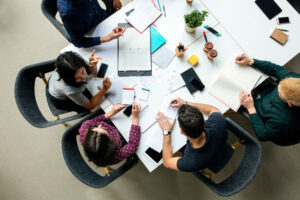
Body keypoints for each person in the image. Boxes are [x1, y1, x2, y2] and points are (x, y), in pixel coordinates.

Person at [236, 55, 300, 143]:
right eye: (280, 84)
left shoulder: (282, 122)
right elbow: (277, 70)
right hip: (267, 94)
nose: (278, 85)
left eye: (280, 92)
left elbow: (262, 135)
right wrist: (252, 61)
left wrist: (250, 108)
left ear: (290, 104)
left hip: (258, 110)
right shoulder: (296, 81)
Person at [156, 97, 228, 172]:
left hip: (207, 162)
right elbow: (213, 110)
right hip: (219, 144)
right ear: (203, 121)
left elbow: (167, 162)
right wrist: (186, 103)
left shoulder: (191, 162)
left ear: (181, 131)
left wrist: (166, 131)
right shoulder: (218, 123)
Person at [79, 102, 141, 167]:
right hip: (119, 138)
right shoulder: (114, 157)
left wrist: (112, 112)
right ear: (110, 144)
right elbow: (133, 145)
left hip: (112, 128)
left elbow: (95, 120)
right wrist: (135, 119)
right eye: (105, 132)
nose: (99, 125)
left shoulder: (85, 126)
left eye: (96, 128)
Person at [47, 50, 111, 112]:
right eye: (77, 78)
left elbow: (92, 74)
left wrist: (93, 66)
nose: (84, 78)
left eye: (83, 72)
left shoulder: (75, 59)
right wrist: (104, 89)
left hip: (54, 83)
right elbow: (91, 105)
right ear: (70, 79)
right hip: (59, 99)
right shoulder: (70, 90)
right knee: (85, 109)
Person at [57, 0, 126, 48]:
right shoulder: (69, 13)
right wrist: (106, 38)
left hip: (103, 18)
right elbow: (78, 41)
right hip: (92, 33)